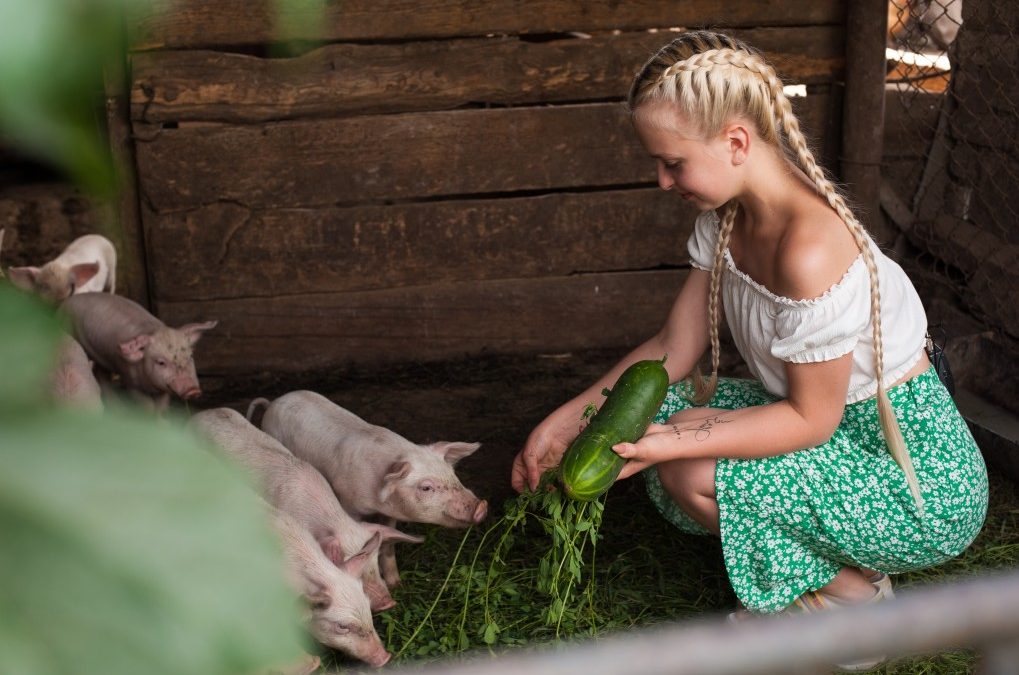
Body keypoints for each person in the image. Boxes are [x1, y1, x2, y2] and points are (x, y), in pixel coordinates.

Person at [511, 30, 987, 621]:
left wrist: (677, 441)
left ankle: (855, 600)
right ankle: (824, 562)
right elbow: (671, 348)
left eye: (673, 163)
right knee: (664, 410)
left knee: (685, 462)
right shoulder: (726, 219)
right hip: (833, 434)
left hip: (910, 474)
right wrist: (570, 420)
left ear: (736, 141)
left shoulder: (809, 249)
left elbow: (813, 421)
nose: (662, 181)